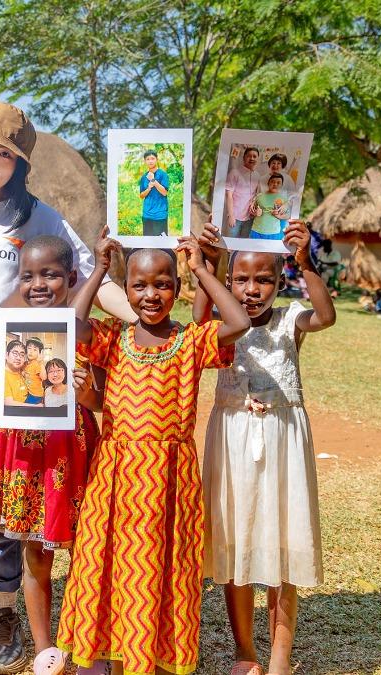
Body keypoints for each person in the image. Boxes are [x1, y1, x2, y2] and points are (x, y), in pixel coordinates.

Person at [0, 101, 134, 673]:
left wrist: (139, 316)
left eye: (4, 155)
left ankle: (4, 610)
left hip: (15, 395)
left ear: (20, 165)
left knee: (5, 511)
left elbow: (91, 276)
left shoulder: (40, 220)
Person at [58, 235, 251, 675]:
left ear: (177, 287)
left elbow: (237, 322)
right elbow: (72, 323)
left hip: (169, 482)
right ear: (125, 291)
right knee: (110, 569)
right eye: (139, 286)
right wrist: (99, 271)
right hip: (116, 480)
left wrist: (202, 269)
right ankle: (112, 658)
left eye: (163, 284)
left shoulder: (190, 342)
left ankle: (157, 660)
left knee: (164, 572)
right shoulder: (112, 339)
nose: (151, 295)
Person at [195, 220, 336, 675]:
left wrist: (305, 262)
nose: (251, 290)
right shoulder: (220, 325)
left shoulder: (291, 319)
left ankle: (278, 658)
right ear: (229, 280)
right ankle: (245, 653)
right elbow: (196, 320)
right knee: (234, 542)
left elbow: (326, 316)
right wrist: (208, 263)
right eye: (241, 279)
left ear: (279, 283)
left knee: (282, 541)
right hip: (232, 439)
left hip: (283, 443)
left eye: (264, 280)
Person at [0, 235, 102, 675]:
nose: (38, 284)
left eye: (50, 274)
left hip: (74, 448)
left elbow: (101, 400)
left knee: (87, 551)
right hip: (26, 451)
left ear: (71, 278)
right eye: (27, 275)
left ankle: (90, 643)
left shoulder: (87, 331)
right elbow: (3, 380)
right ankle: (43, 647)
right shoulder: (12, 330)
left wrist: (86, 389)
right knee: (36, 549)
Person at [224, 146, 260, 238]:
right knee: (231, 247)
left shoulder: (257, 175)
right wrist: (231, 216)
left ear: (257, 159)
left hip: (249, 218)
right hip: (235, 217)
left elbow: (256, 194)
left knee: (242, 247)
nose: (252, 158)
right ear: (244, 158)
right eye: (249, 156)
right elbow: (229, 195)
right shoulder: (234, 173)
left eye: (255, 156)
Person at [138, 150, 171, 236]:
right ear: (145, 161)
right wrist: (148, 188)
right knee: (147, 243)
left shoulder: (163, 174)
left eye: (152, 158)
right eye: (148, 159)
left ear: (156, 160)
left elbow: (164, 192)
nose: (150, 161)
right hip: (147, 215)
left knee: (162, 244)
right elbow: (141, 195)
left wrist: (153, 180)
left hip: (160, 215)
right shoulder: (143, 177)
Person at [249, 173, 290, 240]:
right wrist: (255, 213)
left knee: (270, 251)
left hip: (274, 233)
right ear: (268, 183)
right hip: (256, 231)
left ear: (281, 185)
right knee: (254, 250)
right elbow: (251, 213)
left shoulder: (284, 200)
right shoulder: (259, 196)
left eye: (278, 182)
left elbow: (288, 215)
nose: (275, 184)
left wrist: (279, 216)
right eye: (273, 182)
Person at [24, 338, 47, 404]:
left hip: (36, 395)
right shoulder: (26, 364)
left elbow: (44, 377)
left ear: (39, 353)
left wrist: (41, 362)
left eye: (35, 350)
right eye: (29, 348)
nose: (31, 351)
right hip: (29, 393)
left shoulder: (37, 364)